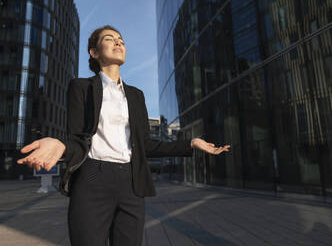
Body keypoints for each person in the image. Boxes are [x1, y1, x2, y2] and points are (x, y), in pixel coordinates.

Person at [17, 25, 230, 246]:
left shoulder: (136, 96)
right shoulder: (81, 88)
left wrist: (191, 143)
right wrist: (60, 145)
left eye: (121, 40)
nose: (118, 42)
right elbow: (78, 138)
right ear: (94, 52)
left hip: (131, 183)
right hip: (92, 179)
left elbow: (146, 145)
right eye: (109, 39)